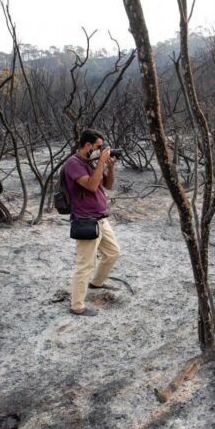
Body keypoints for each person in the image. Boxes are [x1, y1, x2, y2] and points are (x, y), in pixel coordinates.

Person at [64, 128, 120, 316]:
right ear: (87, 145)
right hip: (85, 221)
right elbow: (91, 185)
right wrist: (101, 161)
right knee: (85, 264)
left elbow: (108, 185)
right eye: (98, 147)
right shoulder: (73, 163)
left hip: (101, 219)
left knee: (112, 253)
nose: (101, 150)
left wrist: (109, 167)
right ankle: (77, 306)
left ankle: (96, 283)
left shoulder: (91, 162)